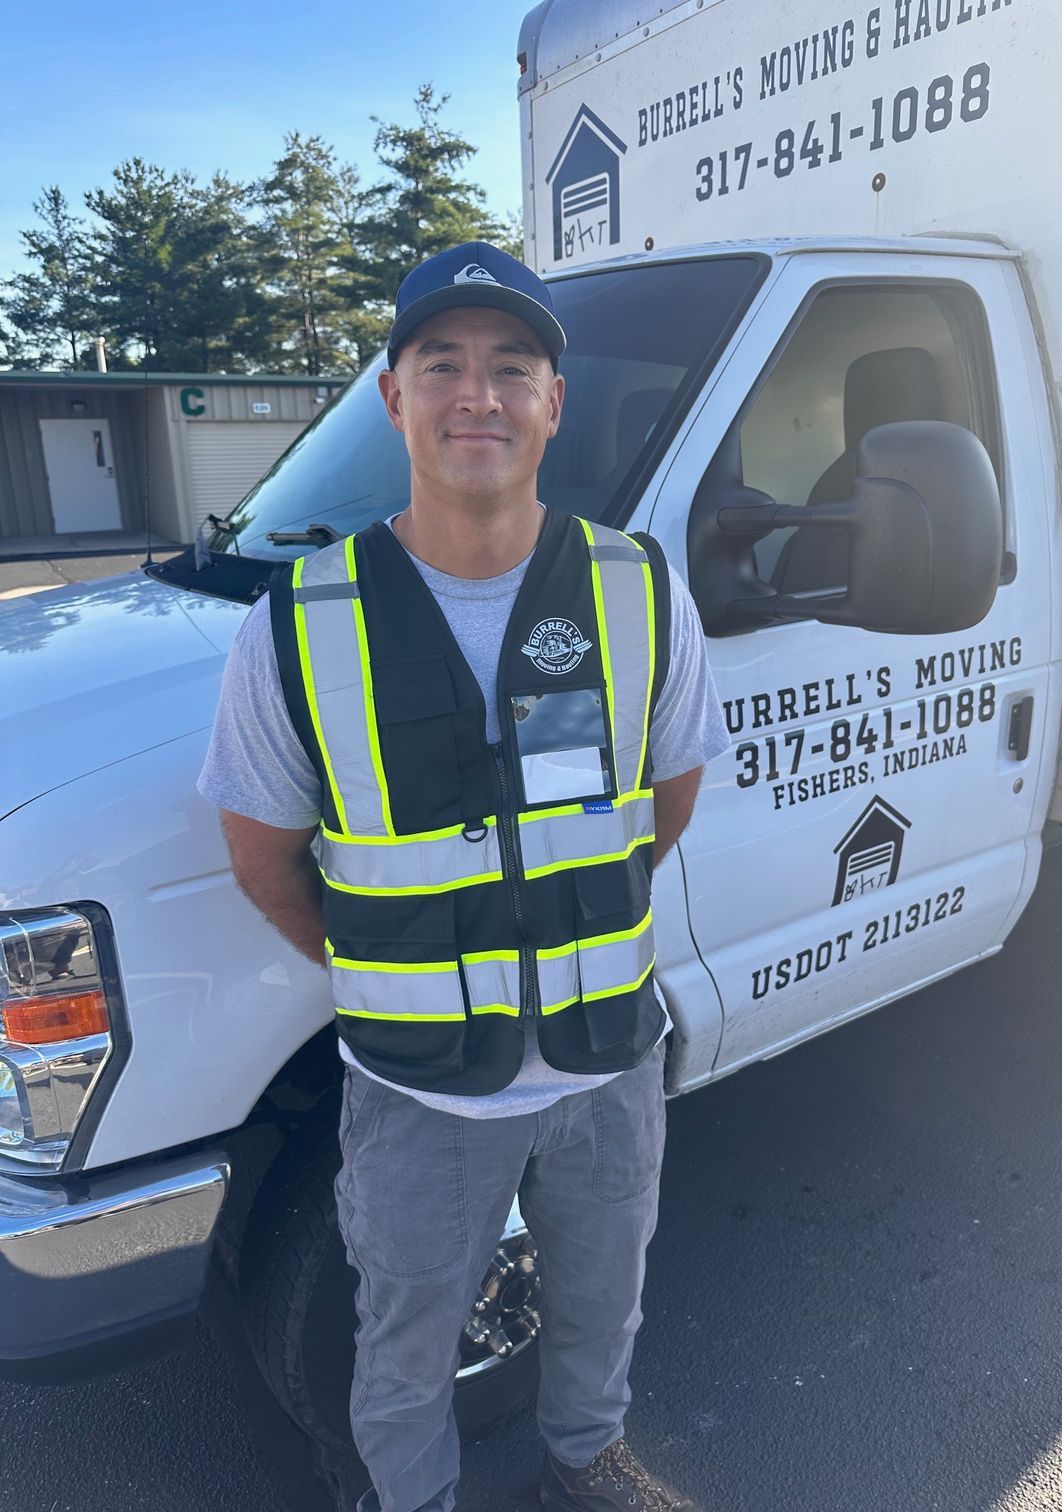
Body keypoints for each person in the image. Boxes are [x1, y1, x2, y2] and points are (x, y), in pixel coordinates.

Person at [198, 240, 729, 1512]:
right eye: (442, 364)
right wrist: (393, 965)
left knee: (603, 1301)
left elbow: (666, 799)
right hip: (416, 1090)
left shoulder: (640, 590)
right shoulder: (301, 621)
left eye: (513, 366)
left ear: (555, 402)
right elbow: (264, 856)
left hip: (608, 1067)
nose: (477, 395)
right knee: (403, 1342)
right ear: (394, 397)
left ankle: (584, 1461)